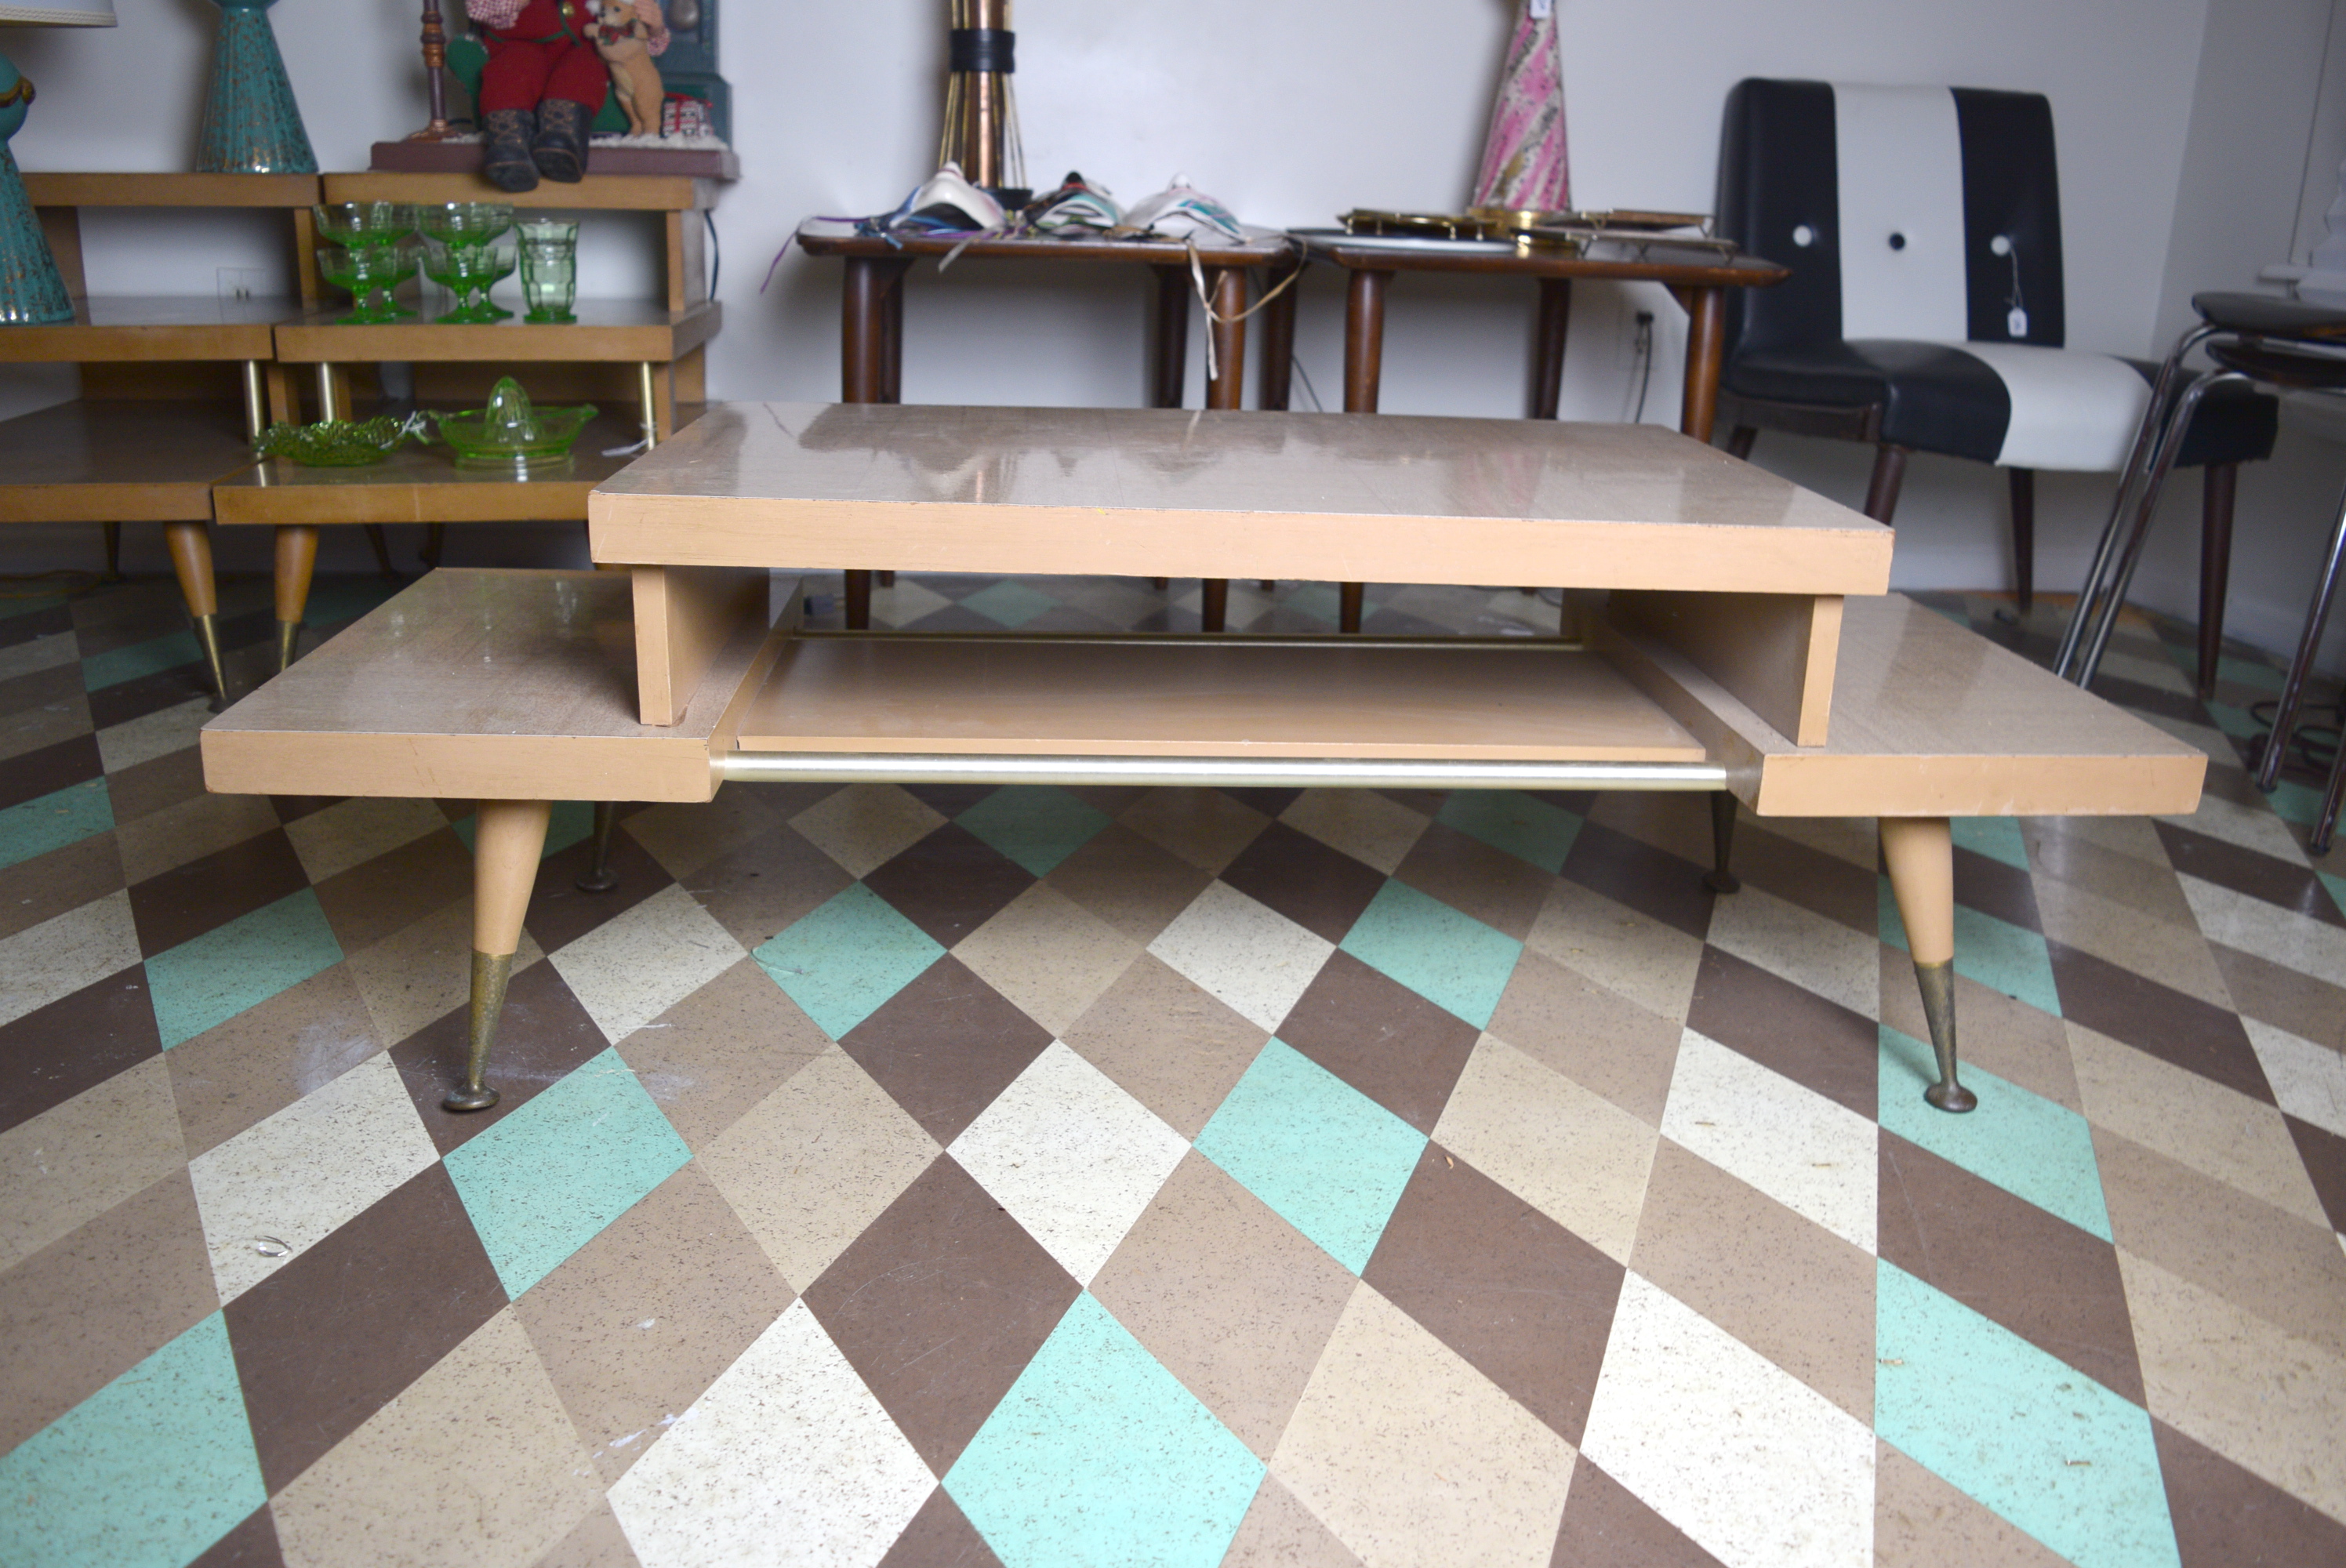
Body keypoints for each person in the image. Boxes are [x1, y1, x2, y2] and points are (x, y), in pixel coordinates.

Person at [464, 0, 667, 191]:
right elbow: (478, 8)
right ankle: (508, 143)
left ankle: (562, 138)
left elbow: (639, 38)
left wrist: (654, 28)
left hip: (583, 44)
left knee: (583, 71)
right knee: (511, 71)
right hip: (519, 40)